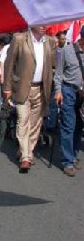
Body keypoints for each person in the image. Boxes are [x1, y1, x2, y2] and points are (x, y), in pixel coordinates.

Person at [3, 26, 56, 173]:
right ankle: (26, 157)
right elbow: (9, 64)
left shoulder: (50, 41)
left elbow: (52, 66)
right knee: (22, 120)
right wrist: (7, 88)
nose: (44, 26)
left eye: (45, 23)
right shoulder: (19, 39)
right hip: (22, 88)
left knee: (35, 123)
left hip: (41, 88)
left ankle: (26, 150)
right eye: (40, 23)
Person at [54, 25, 84, 177]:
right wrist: (58, 91)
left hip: (82, 93)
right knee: (68, 125)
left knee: (80, 125)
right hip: (68, 90)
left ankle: (73, 153)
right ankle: (67, 161)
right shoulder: (67, 50)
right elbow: (58, 74)